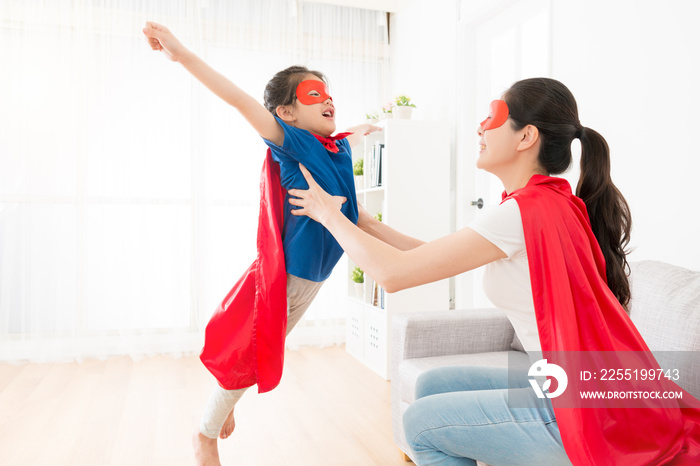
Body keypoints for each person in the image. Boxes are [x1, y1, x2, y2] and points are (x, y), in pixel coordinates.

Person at [288, 78, 700, 465]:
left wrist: (328, 216)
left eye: (493, 118)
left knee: (422, 423)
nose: (480, 129)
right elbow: (430, 255)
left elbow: (394, 275)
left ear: (526, 136)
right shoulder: (547, 202)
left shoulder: (523, 211)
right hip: (581, 387)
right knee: (430, 387)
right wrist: (361, 221)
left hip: (583, 411)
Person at [142, 21, 380, 466]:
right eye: (313, 94)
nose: (328, 99)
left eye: (329, 93)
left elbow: (344, 145)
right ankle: (204, 434)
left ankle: (225, 402)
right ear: (286, 113)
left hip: (313, 278)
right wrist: (182, 54)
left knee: (259, 353)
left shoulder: (335, 146)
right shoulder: (292, 143)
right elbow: (237, 98)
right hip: (289, 277)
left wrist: (362, 129)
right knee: (252, 357)